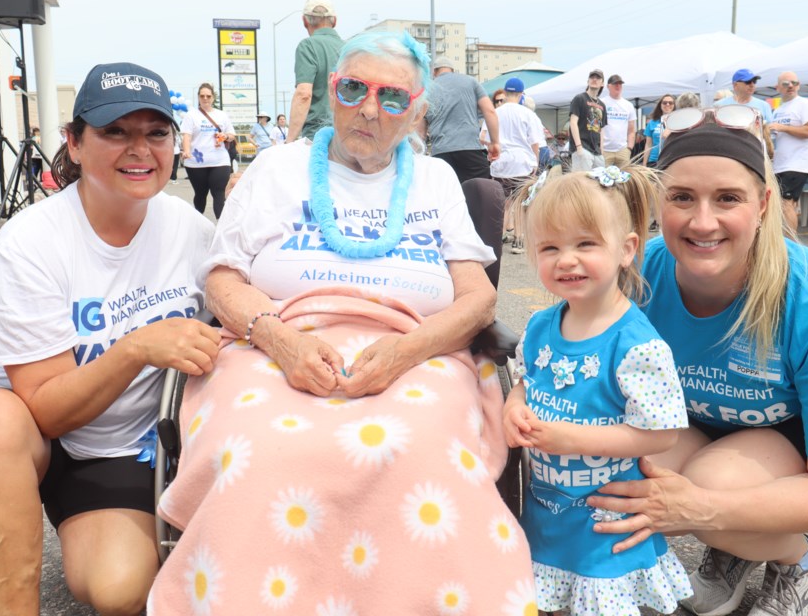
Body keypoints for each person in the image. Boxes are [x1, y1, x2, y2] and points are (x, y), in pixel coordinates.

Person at [148, 31, 536, 614]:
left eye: (393, 97)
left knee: (424, 446)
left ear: (417, 109)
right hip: (274, 343)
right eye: (354, 88)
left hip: (419, 349)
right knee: (262, 449)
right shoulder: (277, 169)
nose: (370, 108)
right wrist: (283, 343)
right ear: (333, 91)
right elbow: (223, 281)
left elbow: (477, 300)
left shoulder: (434, 180)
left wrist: (405, 353)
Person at [586, 113, 808, 616]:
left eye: (728, 198)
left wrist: (701, 510)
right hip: (717, 420)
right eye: (682, 197)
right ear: (657, 204)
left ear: (763, 205)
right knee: (613, 472)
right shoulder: (635, 273)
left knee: (707, 487)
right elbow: (567, 357)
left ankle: (796, 559)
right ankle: (736, 541)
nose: (702, 221)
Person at [0, 62, 219, 615]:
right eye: (115, 131)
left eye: (155, 132)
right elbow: (46, 410)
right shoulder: (32, 241)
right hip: (37, 430)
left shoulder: (194, 231)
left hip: (126, 443)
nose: (139, 149)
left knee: (120, 592)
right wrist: (137, 346)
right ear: (73, 143)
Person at [504, 167, 692, 615]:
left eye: (585, 244)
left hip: (608, 524)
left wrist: (573, 440)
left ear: (626, 249)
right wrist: (514, 406)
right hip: (549, 513)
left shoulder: (637, 346)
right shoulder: (540, 326)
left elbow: (662, 434)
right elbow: (527, 383)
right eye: (550, 247)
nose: (566, 260)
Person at [423, 55, 500, 183]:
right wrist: (495, 142)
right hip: (470, 149)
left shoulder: (428, 89)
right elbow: (490, 111)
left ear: (434, 72)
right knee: (481, 193)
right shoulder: (471, 81)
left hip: (441, 153)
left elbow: (421, 123)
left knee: (445, 196)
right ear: (452, 70)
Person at [491, 77, 541, 254]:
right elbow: (535, 142)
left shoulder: (495, 112)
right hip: (522, 163)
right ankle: (518, 240)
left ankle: (498, 237)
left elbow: (483, 137)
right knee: (520, 203)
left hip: (501, 164)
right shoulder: (528, 114)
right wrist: (535, 161)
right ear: (521, 94)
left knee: (502, 203)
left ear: (504, 93)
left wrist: (494, 151)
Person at [286, 0, 344, 142]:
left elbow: (304, 94)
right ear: (335, 21)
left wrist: (290, 140)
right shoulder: (349, 49)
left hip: (317, 134)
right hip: (346, 133)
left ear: (305, 21)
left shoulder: (308, 46)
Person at [769, 71, 808, 232]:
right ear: (778, 87)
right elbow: (776, 137)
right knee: (782, 205)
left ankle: (791, 245)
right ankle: (784, 241)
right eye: (785, 84)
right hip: (780, 164)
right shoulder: (778, 110)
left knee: (786, 203)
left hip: (796, 164)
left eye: (794, 83)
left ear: (798, 85)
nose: (790, 86)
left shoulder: (805, 105)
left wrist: (783, 127)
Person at [181, 83, 235, 218]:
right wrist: (186, 151)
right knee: (200, 194)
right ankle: (198, 225)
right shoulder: (191, 115)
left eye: (208, 96)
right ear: (198, 97)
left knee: (219, 194)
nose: (205, 98)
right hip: (197, 162)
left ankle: (221, 230)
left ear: (213, 98)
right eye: (202, 96)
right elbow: (186, 135)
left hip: (219, 161)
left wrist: (225, 136)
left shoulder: (222, 115)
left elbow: (231, 135)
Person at [568, 69, 607, 172]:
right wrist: (579, 147)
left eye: (598, 78)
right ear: (588, 81)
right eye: (592, 77)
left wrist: (601, 150)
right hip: (582, 148)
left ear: (602, 83)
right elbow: (573, 122)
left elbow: (601, 129)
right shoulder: (579, 98)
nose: (594, 79)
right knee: (581, 184)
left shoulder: (602, 105)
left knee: (600, 184)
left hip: (597, 152)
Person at [601, 74, 637, 168]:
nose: (618, 86)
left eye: (620, 84)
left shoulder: (628, 105)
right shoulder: (601, 103)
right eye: (615, 84)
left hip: (623, 150)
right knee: (602, 179)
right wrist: (599, 148)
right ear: (608, 86)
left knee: (625, 179)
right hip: (605, 150)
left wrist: (629, 147)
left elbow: (632, 129)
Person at [642, 94, 674, 168]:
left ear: (674, 106)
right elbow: (648, 144)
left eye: (670, 103)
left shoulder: (678, 122)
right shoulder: (652, 122)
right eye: (664, 102)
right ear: (660, 105)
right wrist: (644, 164)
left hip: (671, 159)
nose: (667, 104)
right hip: (654, 160)